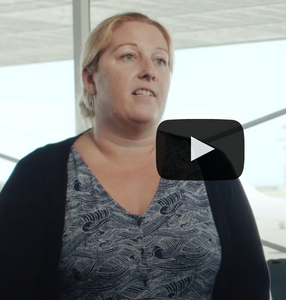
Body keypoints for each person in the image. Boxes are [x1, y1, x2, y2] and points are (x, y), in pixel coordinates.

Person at [0, 12, 269, 300]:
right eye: (129, 56)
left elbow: (249, 282)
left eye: (160, 60)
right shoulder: (40, 174)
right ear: (90, 80)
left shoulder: (206, 163)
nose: (149, 70)